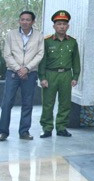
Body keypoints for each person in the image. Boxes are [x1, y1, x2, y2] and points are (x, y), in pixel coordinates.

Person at [0, 11, 44, 141]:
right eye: (22, 19)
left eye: (28, 20)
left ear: (33, 22)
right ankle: (3, 132)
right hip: (12, 72)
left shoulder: (39, 36)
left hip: (30, 73)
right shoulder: (11, 34)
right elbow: (7, 54)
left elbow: (40, 54)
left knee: (27, 103)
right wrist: (19, 69)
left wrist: (27, 68)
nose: (25, 22)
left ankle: (24, 132)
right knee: (7, 103)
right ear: (19, 21)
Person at [39, 10, 80, 138]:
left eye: (64, 24)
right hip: (50, 75)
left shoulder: (72, 42)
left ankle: (61, 128)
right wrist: (42, 77)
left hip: (66, 75)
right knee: (48, 103)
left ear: (68, 26)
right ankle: (47, 128)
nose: (62, 26)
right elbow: (42, 61)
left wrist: (75, 76)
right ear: (54, 26)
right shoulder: (47, 41)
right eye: (59, 24)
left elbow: (76, 61)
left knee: (65, 103)